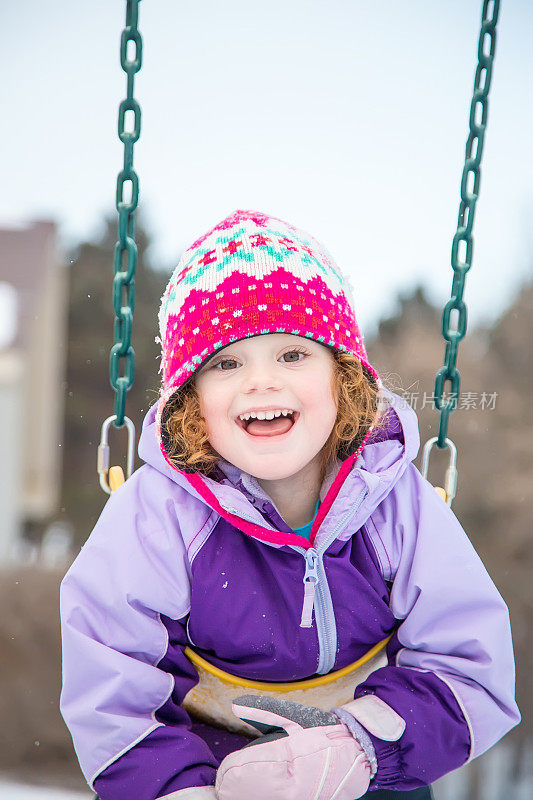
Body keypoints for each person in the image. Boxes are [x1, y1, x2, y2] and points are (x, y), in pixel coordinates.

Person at [60, 209, 520, 800]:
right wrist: (177, 789)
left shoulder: (396, 501)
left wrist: (359, 749)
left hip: (369, 765)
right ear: (191, 401)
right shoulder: (157, 513)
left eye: (293, 355)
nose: (261, 382)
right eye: (226, 363)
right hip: (201, 764)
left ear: (343, 378)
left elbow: (471, 670)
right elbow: (111, 685)